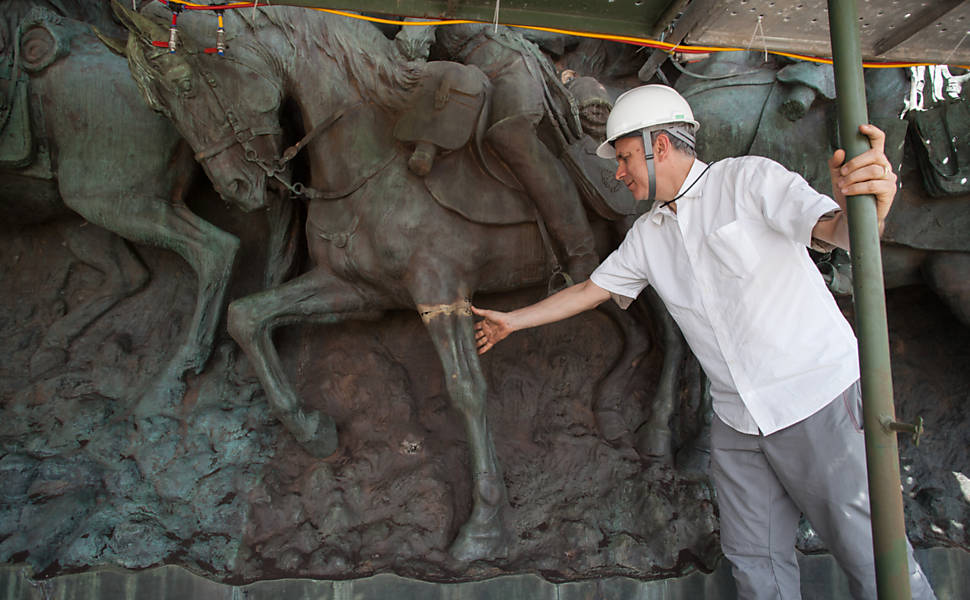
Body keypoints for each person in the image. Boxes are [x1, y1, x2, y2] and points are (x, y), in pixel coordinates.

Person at [471, 84, 936, 599]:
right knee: (755, 564)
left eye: (625, 157)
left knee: (870, 551)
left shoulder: (748, 180)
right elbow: (591, 289)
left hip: (815, 397)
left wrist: (868, 203)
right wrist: (512, 321)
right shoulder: (649, 234)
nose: (619, 172)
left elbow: (838, 232)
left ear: (660, 146)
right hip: (738, 420)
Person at [396, 22, 598, 282]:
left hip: (511, 65)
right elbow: (410, 48)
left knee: (512, 134)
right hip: (468, 79)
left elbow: (562, 28)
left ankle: (582, 252)